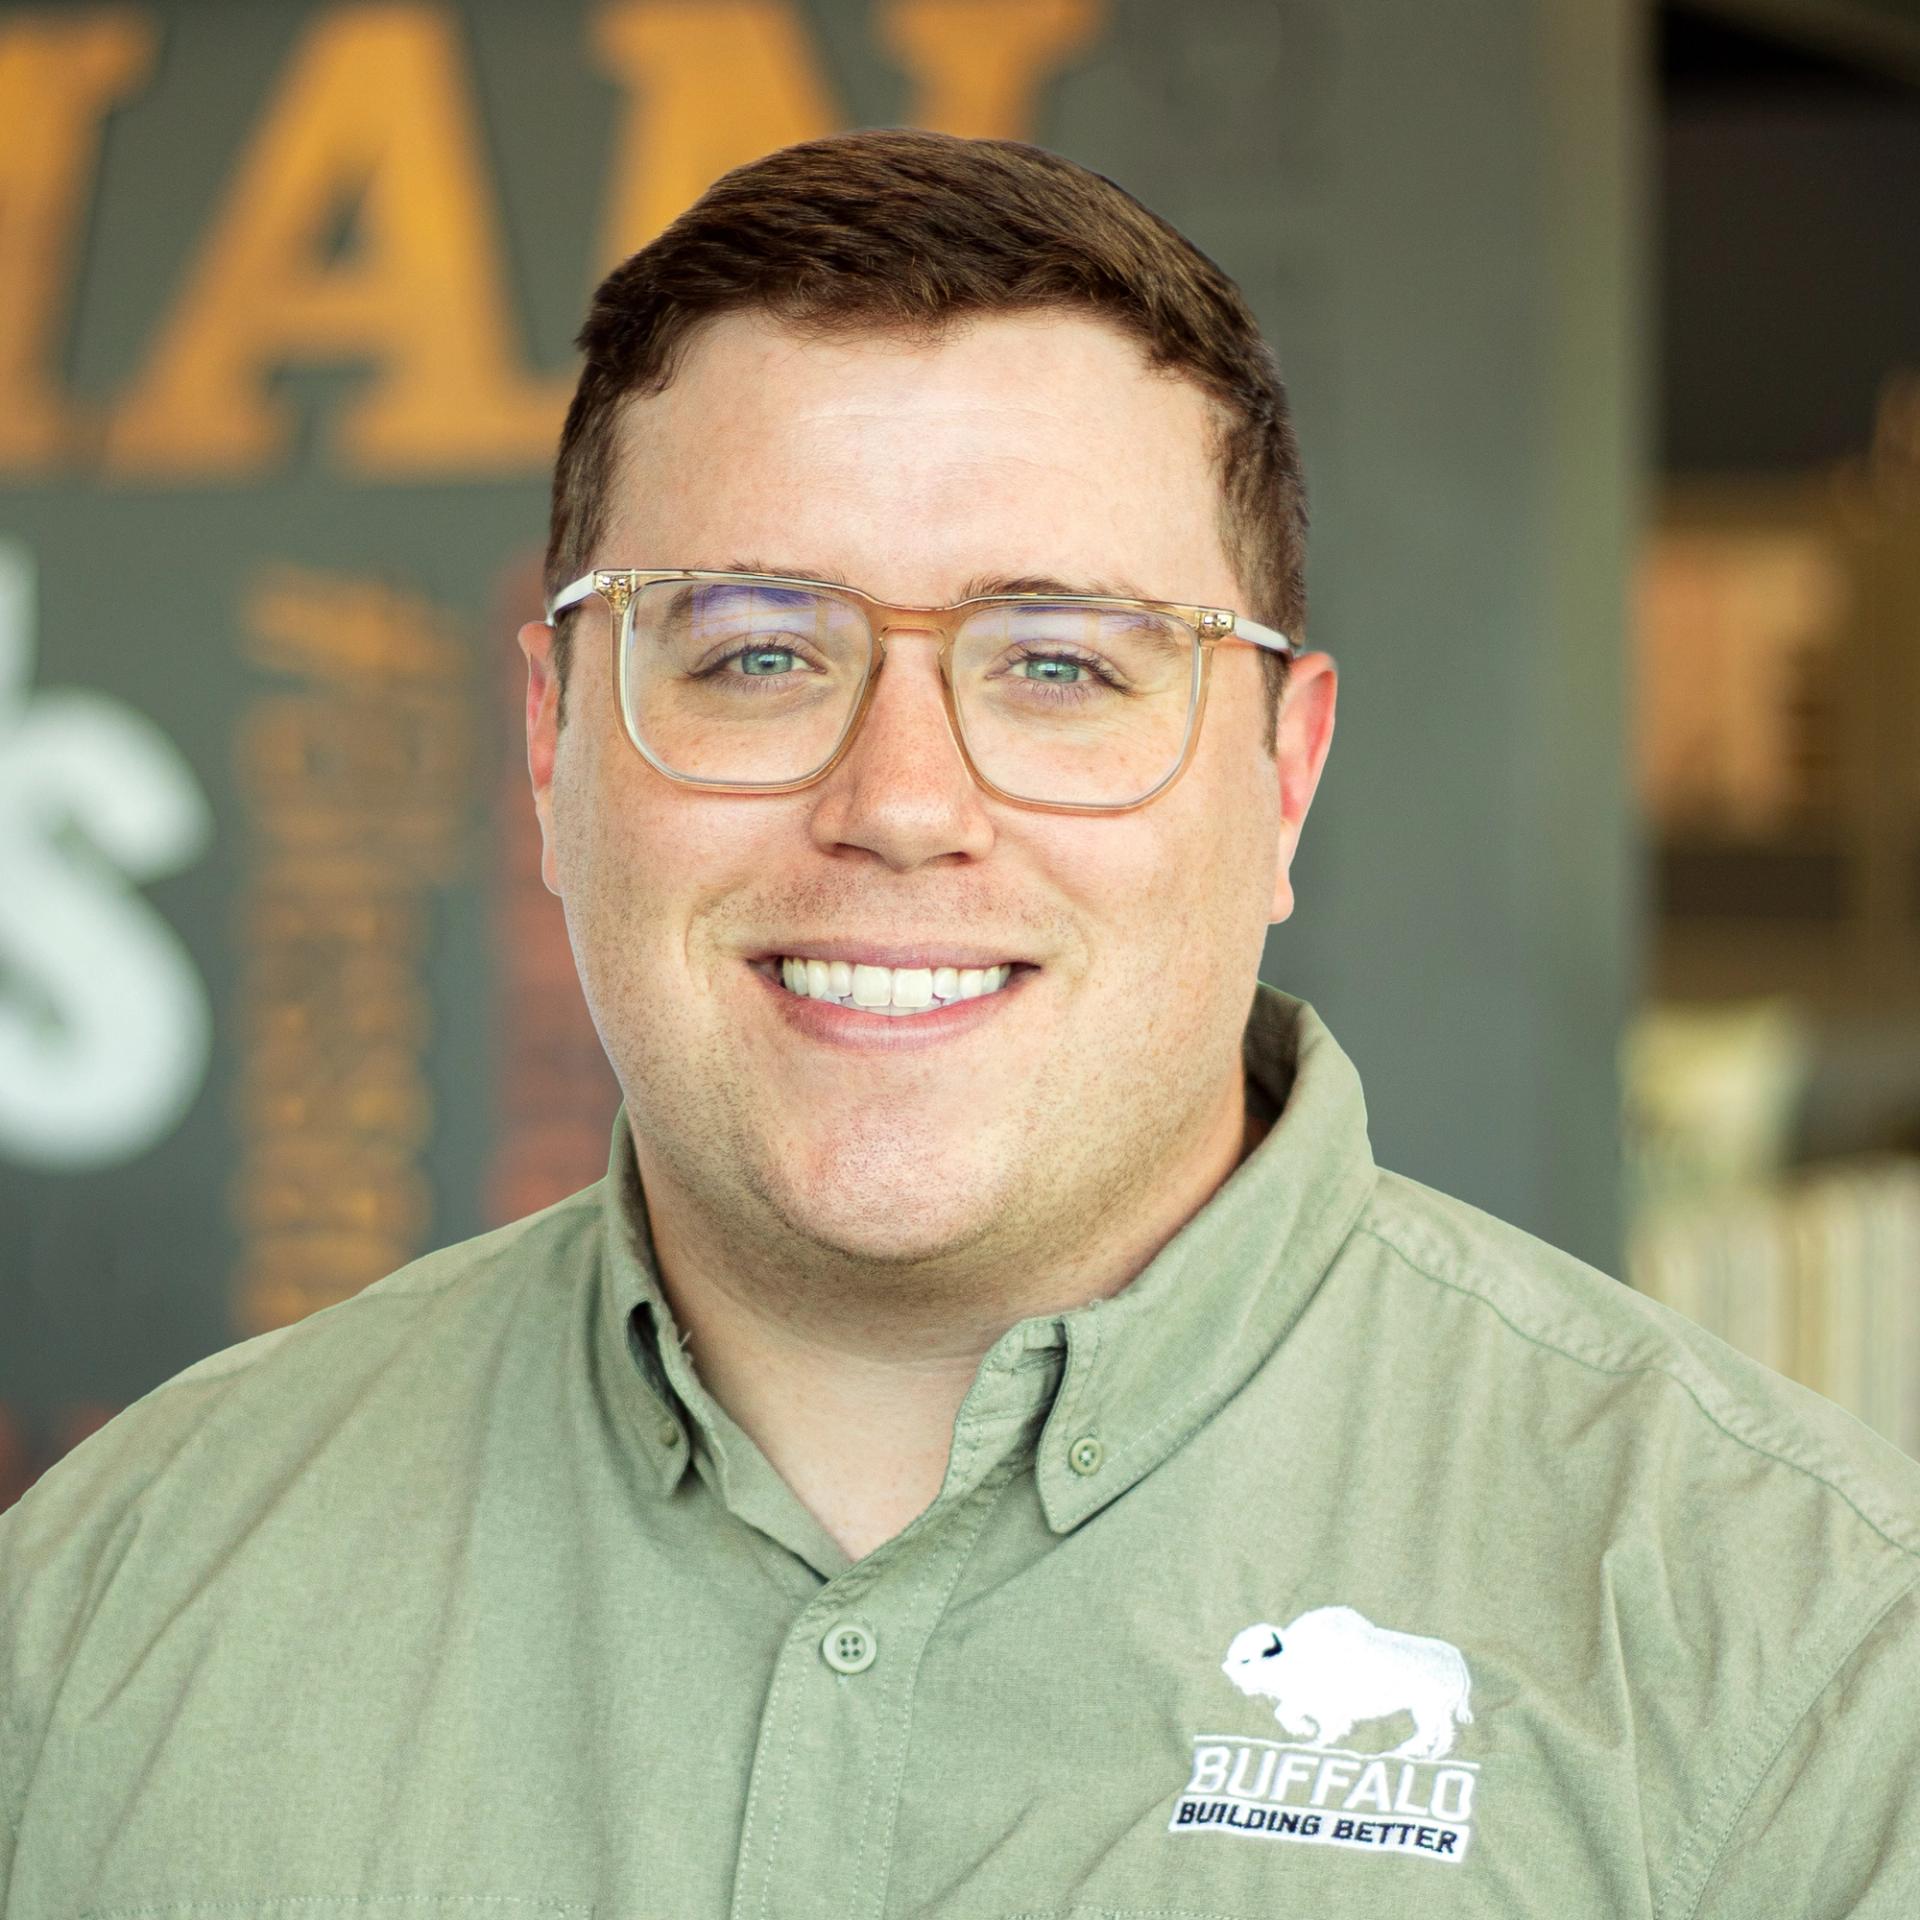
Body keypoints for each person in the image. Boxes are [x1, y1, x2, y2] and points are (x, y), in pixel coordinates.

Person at [2, 128, 1916, 1920]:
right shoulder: (103, 1607)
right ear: (549, 741)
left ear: (1283, 781)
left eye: (1061, 664)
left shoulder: (1802, 1658)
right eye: (756, 651)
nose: (903, 800)